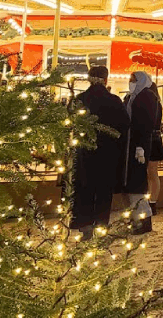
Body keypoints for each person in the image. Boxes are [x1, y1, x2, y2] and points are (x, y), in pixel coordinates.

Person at [69, 66, 130, 240]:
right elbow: (124, 125)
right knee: (104, 190)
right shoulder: (113, 100)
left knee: (85, 188)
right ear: (105, 79)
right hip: (107, 153)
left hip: (84, 150)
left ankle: (85, 226)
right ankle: (101, 226)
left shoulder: (80, 99)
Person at [121, 71, 160, 234]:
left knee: (137, 184)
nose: (131, 82)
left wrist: (141, 147)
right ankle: (135, 217)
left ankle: (144, 219)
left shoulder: (147, 97)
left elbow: (146, 124)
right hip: (130, 146)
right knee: (129, 184)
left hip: (139, 147)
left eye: (134, 80)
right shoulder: (130, 98)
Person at [146, 82, 163, 216]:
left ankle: (152, 202)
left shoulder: (153, 104)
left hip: (151, 140)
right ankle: (151, 201)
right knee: (152, 173)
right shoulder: (157, 103)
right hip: (154, 140)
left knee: (152, 173)